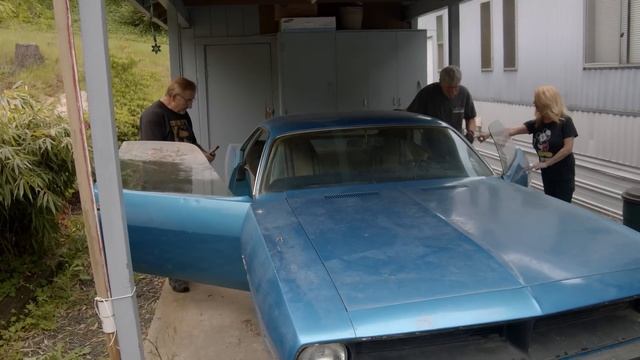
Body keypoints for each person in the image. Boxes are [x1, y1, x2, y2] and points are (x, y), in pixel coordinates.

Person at [139, 77, 215, 293]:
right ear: (173, 97)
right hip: (161, 185)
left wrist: (202, 153)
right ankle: (176, 274)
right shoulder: (153, 116)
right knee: (170, 231)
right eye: (188, 100)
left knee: (184, 227)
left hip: (182, 180)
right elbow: (152, 155)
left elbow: (189, 142)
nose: (190, 105)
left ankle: (184, 266)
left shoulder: (182, 115)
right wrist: (189, 158)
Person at [479, 85, 578, 203]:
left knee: (562, 207)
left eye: (537, 101)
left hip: (563, 175)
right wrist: (489, 134)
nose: (534, 103)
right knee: (551, 204)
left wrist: (546, 163)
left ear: (546, 103)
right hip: (547, 175)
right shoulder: (537, 123)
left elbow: (568, 148)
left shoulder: (565, 122)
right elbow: (511, 131)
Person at [407, 65, 477, 143]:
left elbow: (471, 118)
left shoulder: (464, 93)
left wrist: (471, 133)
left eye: (456, 87)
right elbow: (411, 116)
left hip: (456, 142)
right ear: (441, 83)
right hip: (431, 143)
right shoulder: (427, 93)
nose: (453, 92)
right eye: (448, 88)